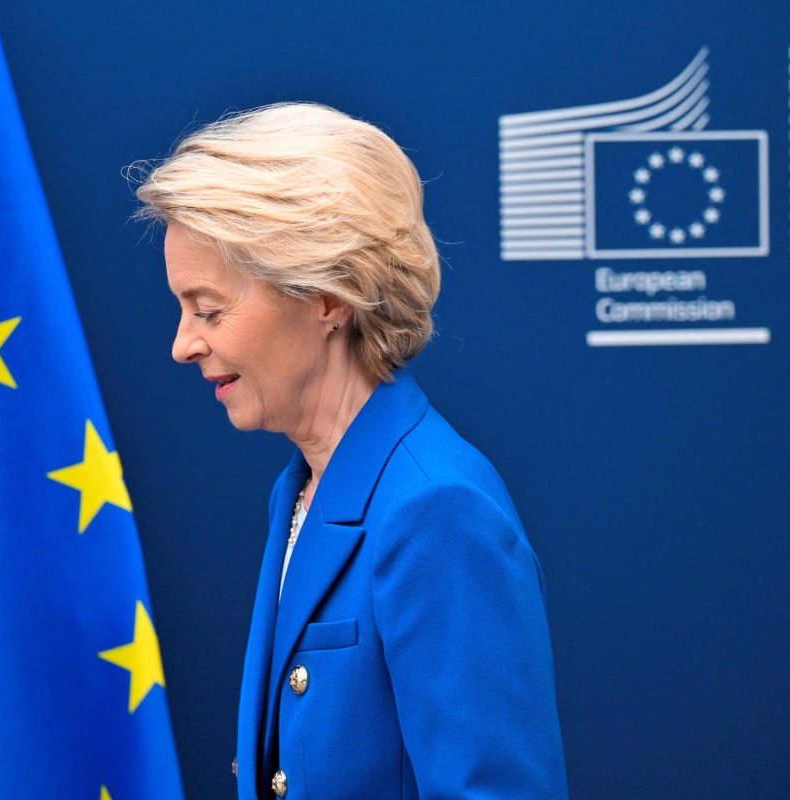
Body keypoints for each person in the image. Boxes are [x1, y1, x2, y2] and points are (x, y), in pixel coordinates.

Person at [134, 102, 568, 799]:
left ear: (329, 296)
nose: (183, 344)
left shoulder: (436, 509)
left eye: (209, 310)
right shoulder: (302, 486)